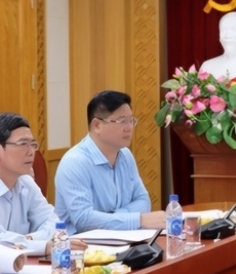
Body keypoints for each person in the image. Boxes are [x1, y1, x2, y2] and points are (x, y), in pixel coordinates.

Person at [0, 113, 86, 254]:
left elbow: (55, 224)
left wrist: (30, 239)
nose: (32, 152)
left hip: (18, 269)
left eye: (33, 144)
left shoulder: (25, 182)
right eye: (23, 144)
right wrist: (44, 246)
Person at [55, 90, 165, 234]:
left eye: (131, 120)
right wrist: (138, 220)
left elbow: (143, 200)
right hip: (82, 247)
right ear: (97, 125)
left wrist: (112, 217)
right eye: (122, 121)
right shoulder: (74, 162)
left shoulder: (125, 155)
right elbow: (83, 220)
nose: (129, 127)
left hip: (124, 238)